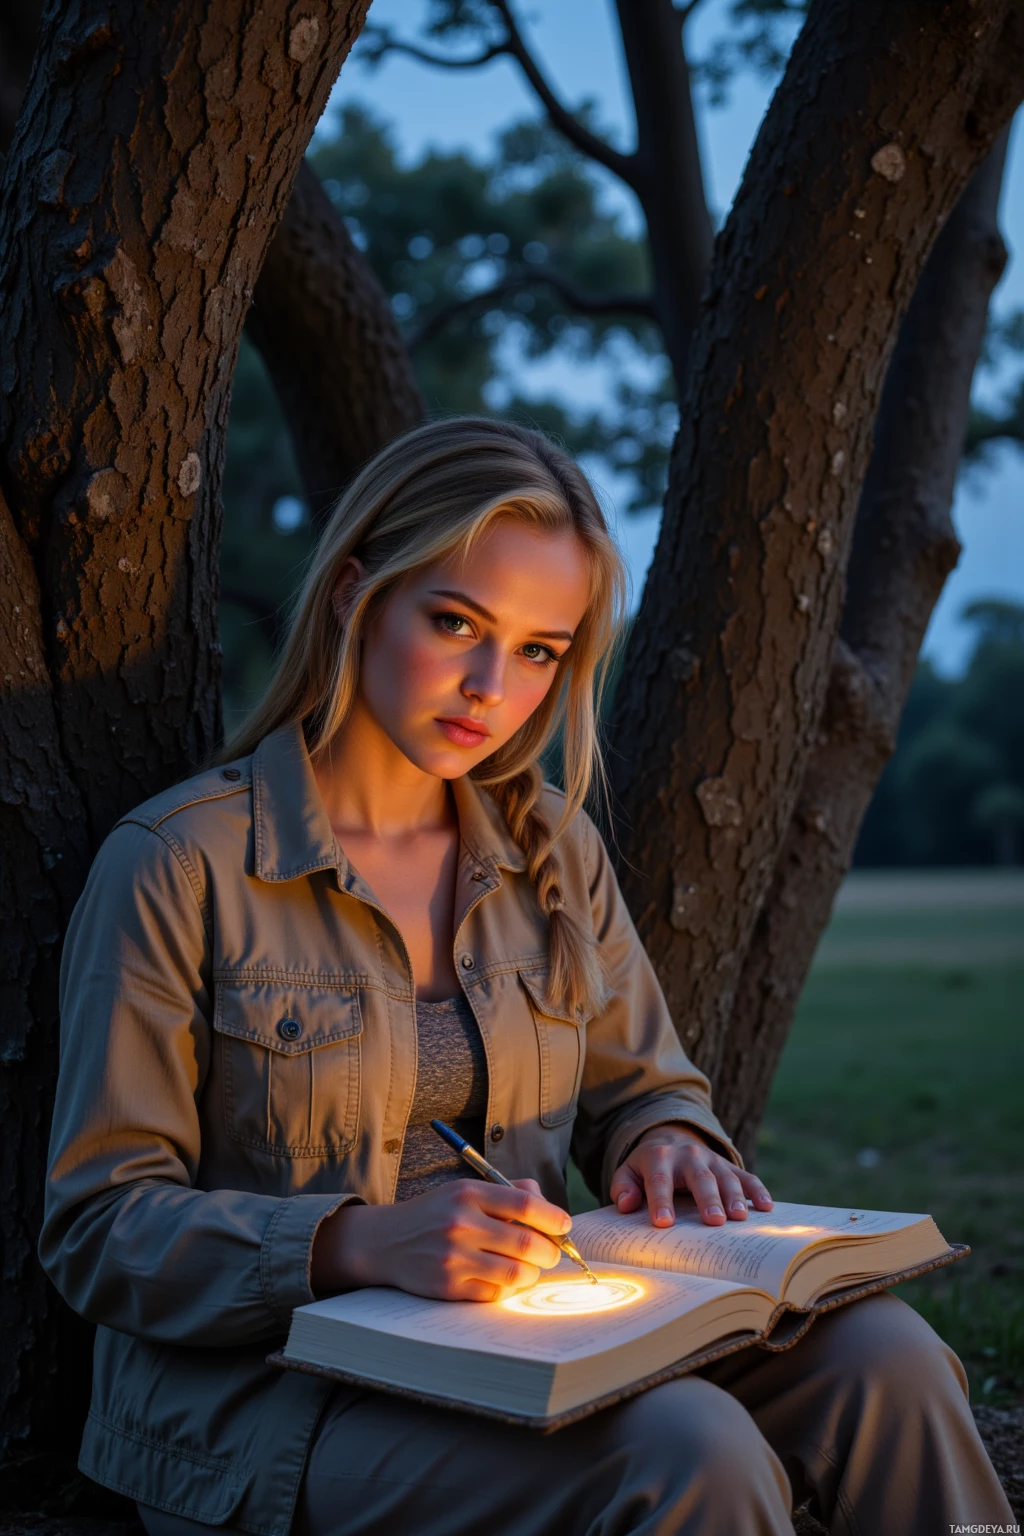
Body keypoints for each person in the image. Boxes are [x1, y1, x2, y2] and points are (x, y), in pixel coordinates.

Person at [40, 418, 1012, 1536]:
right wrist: (350, 1239)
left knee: (887, 1357)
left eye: (541, 650)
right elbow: (97, 1226)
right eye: (456, 623)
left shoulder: (549, 849)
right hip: (273, 1393)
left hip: (524, 1344)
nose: (490, 687)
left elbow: (644, 1084)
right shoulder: (179, 865)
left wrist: (666, 1141)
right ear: (358, 592)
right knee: (686, 1453)